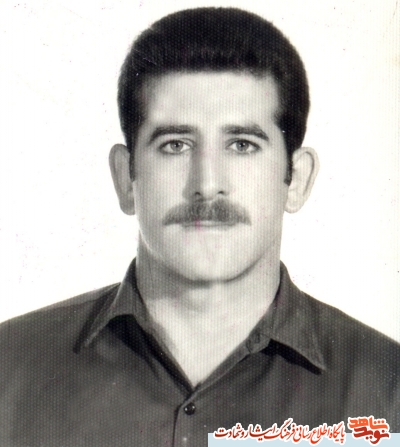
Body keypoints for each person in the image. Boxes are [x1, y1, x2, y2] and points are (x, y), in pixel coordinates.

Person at [0, 7, 398, 447]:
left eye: (242, 145)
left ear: (296, 179)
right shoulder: (8, 369)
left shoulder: (388, 392)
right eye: (175, 145)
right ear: (125, 178)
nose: (206, 184)